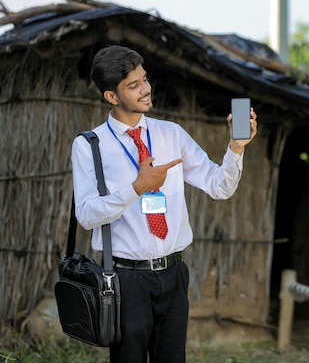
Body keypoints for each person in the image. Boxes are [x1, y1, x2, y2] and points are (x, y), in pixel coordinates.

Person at [71, 45, 257, 363]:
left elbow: (219, 187)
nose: (145, 89)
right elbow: (87, 215)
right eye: (133, 85)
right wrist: (137, 188)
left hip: (174, 273)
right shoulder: (91, 145)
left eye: (145, 79)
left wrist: (236, 149)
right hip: (125, 278)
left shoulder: (171, 134)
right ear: (111, 96)